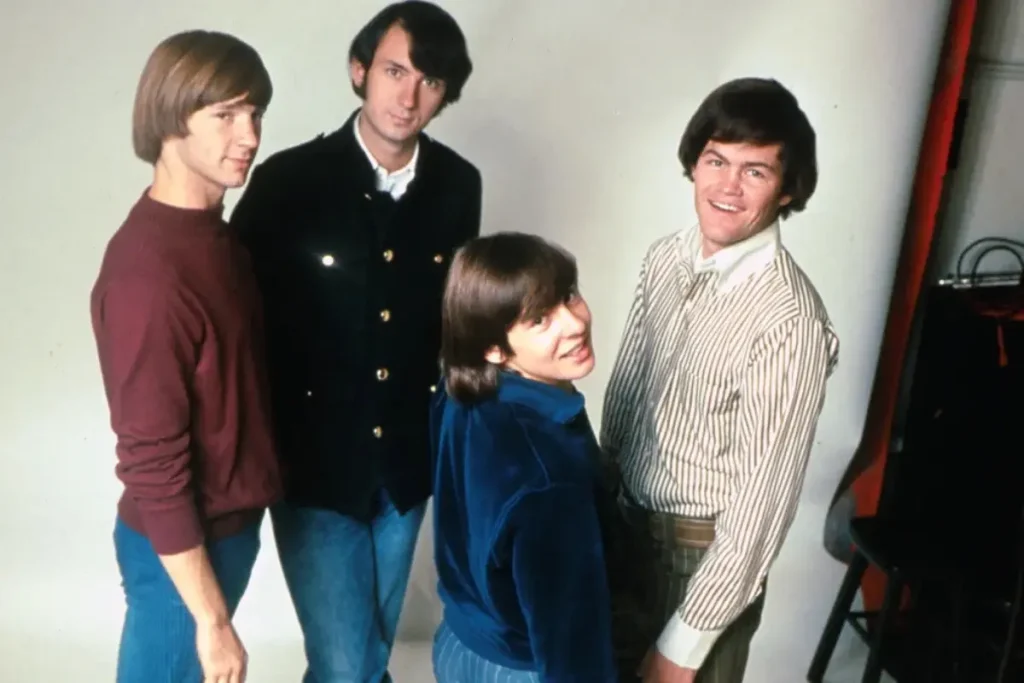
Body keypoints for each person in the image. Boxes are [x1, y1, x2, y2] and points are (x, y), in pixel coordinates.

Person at [228, 2, 480, 681]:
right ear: (359, 70)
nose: (408, 96)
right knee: (348, 664)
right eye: (395, 70)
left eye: (429, 80)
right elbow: (234, 313)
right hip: (312, 465)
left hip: (406, 465)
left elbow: (459, 323)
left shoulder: (459, 185)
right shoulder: (286, 181)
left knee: (359, 658)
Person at [600, 77, 840, 683]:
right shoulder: (664, 258)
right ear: (695, 164)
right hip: (620, 534)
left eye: (755, 172)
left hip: (698, 568)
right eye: (716, 161)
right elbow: (627, 402)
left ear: (788, 190)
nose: (727, 187)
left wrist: (681, 650)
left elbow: (759, 514)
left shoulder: (790, 322)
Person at [89, 29, 280, 683]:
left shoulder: (214, 236)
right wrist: (213, 620)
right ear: (170, 117)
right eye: (224, 115)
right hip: (180, 546)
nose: (250, 135)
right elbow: (152, 461)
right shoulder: (150, 275)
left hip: (224, 529)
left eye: (254, 112)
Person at [430, 231, 618, 682]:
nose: (573, 323)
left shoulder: (461, 393)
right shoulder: (549, 470)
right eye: (539, 320)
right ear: (494, 348)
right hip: (522, 669)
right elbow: (571, 638)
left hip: (458, 646)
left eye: (568, 297)